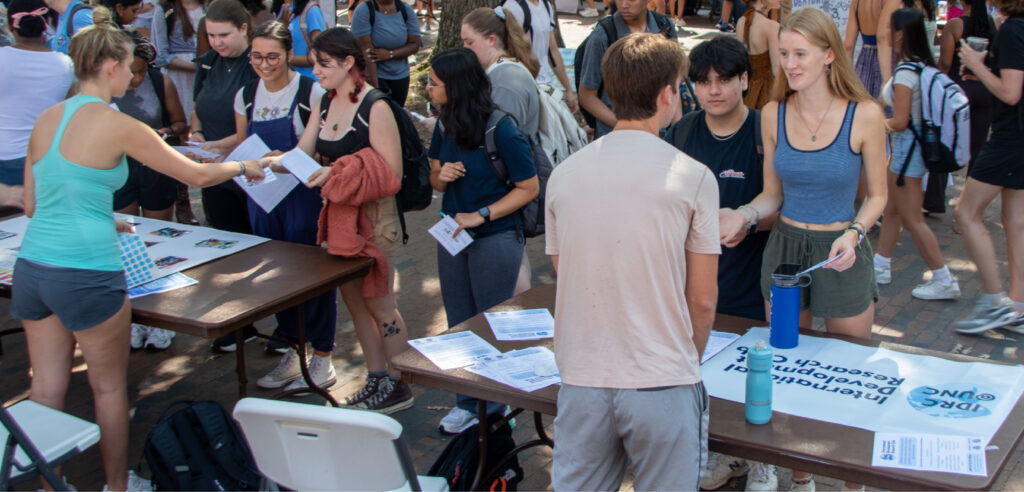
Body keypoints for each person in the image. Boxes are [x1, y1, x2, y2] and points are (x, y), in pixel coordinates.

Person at [12, 22, 266, 491]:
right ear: (110, 66)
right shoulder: (119, 124)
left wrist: (97, 214)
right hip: (85, 270)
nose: (133, 76)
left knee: (46, 387)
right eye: (129, 66)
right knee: (107, 388)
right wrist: (245, 165)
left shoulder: (48, 118)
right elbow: (196, 176)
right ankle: (117, 485)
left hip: (33, 266)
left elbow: (33, 204)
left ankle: (52, 483)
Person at [718, 8, 887, 491]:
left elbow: (878, 195)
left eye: (799, 54)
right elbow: (772, 193)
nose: (789, 64)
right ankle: (800, 474)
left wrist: (854, 232)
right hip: (787, 251)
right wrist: (746, 215)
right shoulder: (773, 113)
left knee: (849, 372)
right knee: (788, 366)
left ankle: (852, 477)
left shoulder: (865, 114)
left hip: (841, 249)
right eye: (784, 54)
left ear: (829, 55)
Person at [547, 32, 717, 491]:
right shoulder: (694, 177)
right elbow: (702, 300)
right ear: (666, 94)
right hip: (662, 377)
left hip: (583, 376)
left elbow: (570, 274)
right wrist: (683, 361)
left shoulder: (563, 176)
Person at [264, 27, 415, 412]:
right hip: (340, 220)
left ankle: (399, 381)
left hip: (375, 219)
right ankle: (376, 376)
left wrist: (335, 174)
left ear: (349, 63)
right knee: (355, 303)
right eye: (315, 62)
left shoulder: (375, 106)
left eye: (323, 63)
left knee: (380, 305)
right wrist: (255, 163)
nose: (315, 70)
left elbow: (391, 175)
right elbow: (303, 154)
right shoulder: (327, 103)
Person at [427, 47, 538, 428]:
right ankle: (466, 401)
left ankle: (494, 406)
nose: (428, 88)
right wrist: (442, 177)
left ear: (455, 87)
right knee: (459, 321)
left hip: (496, 236)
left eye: (434, 83)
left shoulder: (501, 128)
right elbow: (433, 174)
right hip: (452, 235)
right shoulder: (444, 124)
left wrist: (482, 214)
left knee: (489, 320)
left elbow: (528, 187)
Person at [229, 20, 340, 392]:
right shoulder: (246, 93)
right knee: (276, 274)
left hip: (302, 195)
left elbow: (326, 146)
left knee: (314, 273)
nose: (264, 64)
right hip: (263, 197)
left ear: (287, 54)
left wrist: (287, 157)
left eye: (273, 56)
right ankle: (293, 349)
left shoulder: (310, 91)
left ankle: (323, 354)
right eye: (257, 56)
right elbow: (243, 141)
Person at [874, 8, 961, 299]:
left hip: (906, 154)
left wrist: (872, 126)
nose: (886, 32)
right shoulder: (921, 66)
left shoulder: (905, 71)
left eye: (890, 28)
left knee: (912, 218)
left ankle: (943, 278)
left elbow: (899, 121)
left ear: (900, 33)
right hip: (908, 153)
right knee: (894, 211)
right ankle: (881, 266)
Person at [189, 0, 262, 351]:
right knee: (226, 247)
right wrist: (198, 137)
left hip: (249, 168)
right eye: (210, 35)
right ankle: (239, 324)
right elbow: (197, 107)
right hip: (215, 169)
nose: (217, 42)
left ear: (244, 29)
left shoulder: (255, 67)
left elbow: (248, 129)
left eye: (224, 35)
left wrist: (215, 147)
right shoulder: (207, 63)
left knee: (262, 247)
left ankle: (287, 327)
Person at [113, 31, 188, 351]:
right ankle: (131, 318)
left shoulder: (161, 82)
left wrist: (163, 133)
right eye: (130, 70)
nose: (135, 78)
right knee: (126, 242)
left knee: (157, 239)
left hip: (155, 167)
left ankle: (159, 318)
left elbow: (180, 124)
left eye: (141, 71)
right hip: (118, 170)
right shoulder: (105, 90)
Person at [953, 0, 1024, 334]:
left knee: (966, 213)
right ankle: (1018, 304)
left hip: (1011, 137)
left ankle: (995, 301)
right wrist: (986, 67)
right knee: (1015, 221)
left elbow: (1011, 93)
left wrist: (976, 66)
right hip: (1017, 137)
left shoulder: (1011, 29)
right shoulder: (1015, 28)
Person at [0, 0, 74, 188]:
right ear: (47, 24)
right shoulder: (65, 64)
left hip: (4, 155)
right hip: (47, 158)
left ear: (10, 25)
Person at [579, 0, 677, 139]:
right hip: (615, 136)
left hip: (659, 136)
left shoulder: (665, 27)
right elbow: (587, 96)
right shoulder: (603, 35)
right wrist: (627, 127)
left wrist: (677, 132)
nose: (624, 5)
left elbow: (674, 86)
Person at [501, 0, 580, 112]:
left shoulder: (545, 4)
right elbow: (510, 52)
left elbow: (552, 50)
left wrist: (569, 90)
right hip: (524, 88)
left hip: (545, 87)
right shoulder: (514, 7)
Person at [350, 0, 419, 105]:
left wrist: (390, 54)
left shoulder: (406, 9)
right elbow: (365, 51)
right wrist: (376, 90)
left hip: (401, 75)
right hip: (376, 75)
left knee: (397, 113)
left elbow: (414, 45)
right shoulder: (364, 10)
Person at [736, 0, 780, 109]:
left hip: (746, 89)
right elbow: (777, 70)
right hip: (766, 92)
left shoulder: (742, 21)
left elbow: (739, 61)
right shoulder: (771, 27)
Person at [879, 0, 937, 82]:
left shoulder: (929, 5)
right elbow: (897, 38)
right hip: (911, 63)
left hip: (928, 63)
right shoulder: (902, 5)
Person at [271, 0, 325, 79]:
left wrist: (287, 59)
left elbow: (320, 56)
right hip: (284, 81)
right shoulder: (276, 10)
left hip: (309, 81)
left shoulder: (311, 10)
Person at [845, 0, 886, 98]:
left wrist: (847, 79)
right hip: (886, 57)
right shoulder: (889, 2)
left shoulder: (856, 2)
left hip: (864, 61)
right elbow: (882, 38)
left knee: (863, 105)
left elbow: (848, 45)